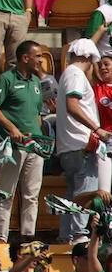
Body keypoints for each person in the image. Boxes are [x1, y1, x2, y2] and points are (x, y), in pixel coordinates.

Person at [0, 40, 47, 249]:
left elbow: (38, 114)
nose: (41, 60)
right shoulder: (6, 79)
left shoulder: (37, 82)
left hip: (35, 145)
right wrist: (12, 129)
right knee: (6, 193)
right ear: (25, 58)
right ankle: (0, 238)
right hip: (13, 147)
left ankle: (28, 239)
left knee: (32, 195)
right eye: (38, 56)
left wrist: (38, 135)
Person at [57, 39, 107, 241]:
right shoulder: (76, 75)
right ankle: (78, 235)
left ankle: (66, 235)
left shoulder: (68, 74)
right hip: (81, 143)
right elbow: (72, 105)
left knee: (72, 194)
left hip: (70, 144)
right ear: (88, 57)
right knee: (84, 192)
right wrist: (97, 128)